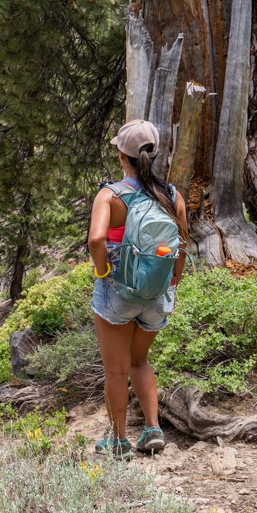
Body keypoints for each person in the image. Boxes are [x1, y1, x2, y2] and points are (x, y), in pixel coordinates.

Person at [87, 119, 189, 458]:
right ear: (154, 154)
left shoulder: (111, 195)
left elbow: (96, 239)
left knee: (116, 371)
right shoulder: (172, 196)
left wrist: (103, 271)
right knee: (140, 361)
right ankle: (152, 429)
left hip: (119, 289)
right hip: (157, 291)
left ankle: (118, 441)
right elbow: (181, 245)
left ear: (121, 155)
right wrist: (172, 281)